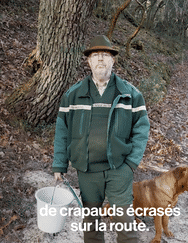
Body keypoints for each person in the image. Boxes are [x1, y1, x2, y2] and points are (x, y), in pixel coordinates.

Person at [52, 35, 150, 243]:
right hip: (86, 170)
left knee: (125, 224)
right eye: (95, 55)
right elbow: (62, 130)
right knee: (92, 225)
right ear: (88, 61)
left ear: (113, 60)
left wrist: (131, 163)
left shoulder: (130, 94)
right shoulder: (73, 94)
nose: (100, 60)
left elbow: (142, 128)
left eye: (105, 55)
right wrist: (59, 164)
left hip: (119, 170)